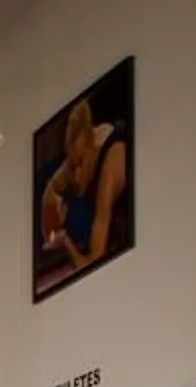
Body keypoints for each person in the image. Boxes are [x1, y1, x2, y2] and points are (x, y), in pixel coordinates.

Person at [38, 97, 129, 282]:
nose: (77, 176)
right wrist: (52, 233)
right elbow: (50, 191)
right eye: (72, 165)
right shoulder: (75, 158)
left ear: (91, 151)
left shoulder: (110, 167)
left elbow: (94, 267)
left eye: (80, 163)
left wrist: (67, 244)